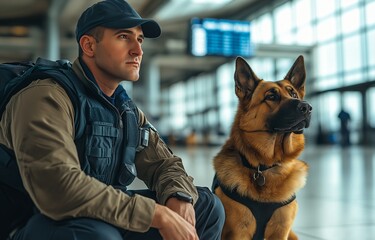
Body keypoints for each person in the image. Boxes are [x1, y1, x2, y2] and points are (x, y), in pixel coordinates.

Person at [0, 0, 225, 239]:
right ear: (89, 46)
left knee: (207, 207)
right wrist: (155, 214)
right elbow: (58, 190)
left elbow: (164, 164)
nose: (138, 51)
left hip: (94, 216)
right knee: (99, 234)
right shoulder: (46, 96)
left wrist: (179, 196)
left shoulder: (124, 109)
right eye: (123, 37)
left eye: (139, 40)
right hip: (29, 224)